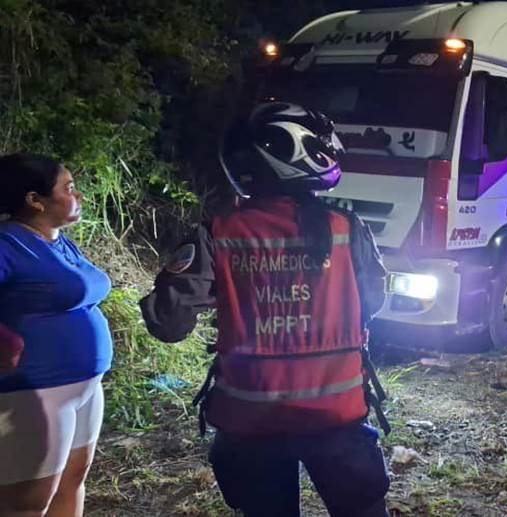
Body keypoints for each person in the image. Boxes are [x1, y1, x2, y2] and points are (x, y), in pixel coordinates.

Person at [139, 102, 390, 516]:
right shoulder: (347, 228)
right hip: (337, 418)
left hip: (249, 421)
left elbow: (168, 322)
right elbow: (373, 301)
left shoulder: (216, 234)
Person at [0, 154, 113, 516]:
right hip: (34, 394)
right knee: (28, 504)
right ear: (35, 200)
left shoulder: (57, 241)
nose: (78, 196)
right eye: (68, 189)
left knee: (71, 484)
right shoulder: (8, 244)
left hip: (84, 388)